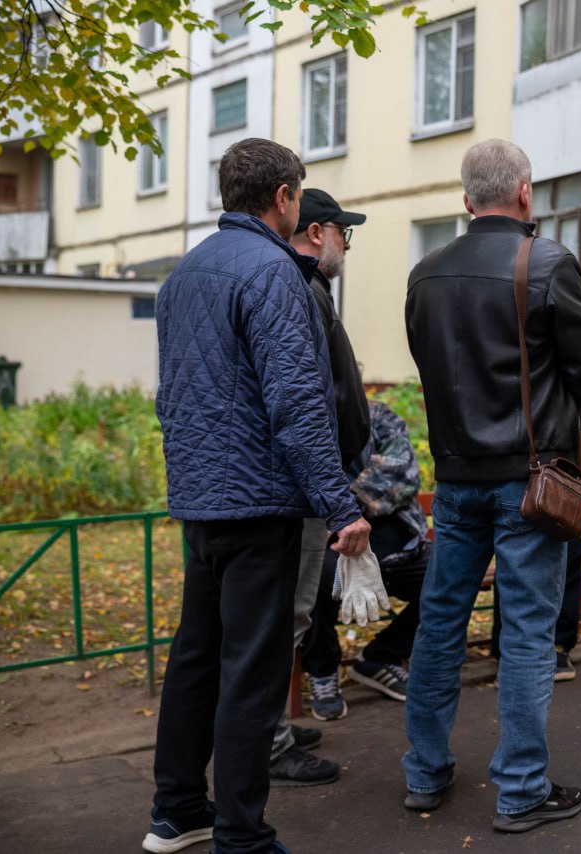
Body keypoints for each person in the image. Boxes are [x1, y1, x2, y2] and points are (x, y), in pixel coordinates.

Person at [143, 139, 370, 854]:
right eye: (298, 194)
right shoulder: (272, 272)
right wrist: (342, 507)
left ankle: (178, 810)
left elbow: (168, 397)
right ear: (282, 198)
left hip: (203, 502)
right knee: (251, 671)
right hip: (261, 504)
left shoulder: (184, 274)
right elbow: (298, 407)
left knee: (197, 659)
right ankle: (241, 837)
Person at [403, 138, 581, 833]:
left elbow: (431, 370)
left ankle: (424, 774)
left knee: (438, 629)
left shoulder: (424, 274)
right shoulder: (546, 262)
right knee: (524, 633)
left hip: (456, 481)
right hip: (530, 483)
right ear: (525, 192)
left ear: (466, 201)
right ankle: (520, 789)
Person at [262, 189, 371, 786]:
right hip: (303, 486)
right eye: (342, 234)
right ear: (316, 232)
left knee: (292, 615)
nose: (345, 247)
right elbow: (303, 401)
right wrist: (332, 489)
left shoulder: (307, 288)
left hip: (309, 482)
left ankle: (270, 725)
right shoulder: (298, 290)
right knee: (290, 616)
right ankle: (271, 741)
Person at [489, 330, 581, 682]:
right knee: (513, 559)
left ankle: (559, 648)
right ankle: (505, 646)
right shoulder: (513, 332)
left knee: (567, 561)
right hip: (520, 463)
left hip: (572, 469)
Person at [302, 399, 430, 715]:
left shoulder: (378, 415)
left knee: (452, 581)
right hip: (332, 550)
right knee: (311, 582)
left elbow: (402, 476)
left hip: (401, 549)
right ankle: (322, 671)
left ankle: (381, 657)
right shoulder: (306, 420)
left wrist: (339, 508)